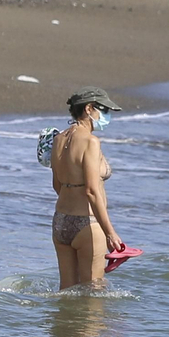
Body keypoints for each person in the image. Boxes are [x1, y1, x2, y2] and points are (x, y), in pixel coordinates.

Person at [50, 88, 125, 290]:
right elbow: (91, 191)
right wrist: (110, 233)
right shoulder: (91, 142)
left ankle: (64, 323)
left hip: (60, 221)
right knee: (94, 293)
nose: (107, 116)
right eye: (104, 110)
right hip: (87, 223)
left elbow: (57, 184)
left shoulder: (58, 140)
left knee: (66, 291)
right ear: (89, 108)